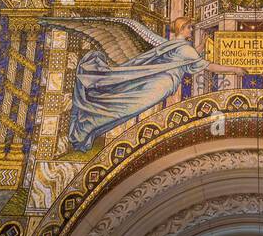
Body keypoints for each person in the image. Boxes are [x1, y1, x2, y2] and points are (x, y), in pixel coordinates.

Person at [69, 17, 245, 151]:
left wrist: (200, 46)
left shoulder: (173, 45)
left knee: (124, 105)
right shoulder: (184, 49)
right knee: (126, 107)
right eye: (189, 27)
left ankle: (87, 124)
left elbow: (188, 58)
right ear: (182, 28)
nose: (191, 30)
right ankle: (86, 126)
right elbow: (208, 66)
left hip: (157, 83)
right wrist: (235, 69)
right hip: (160, 86)